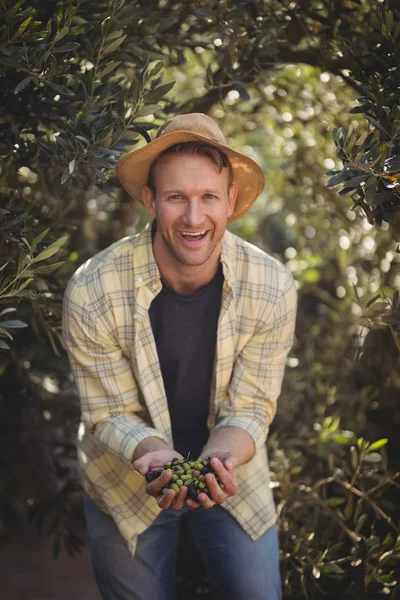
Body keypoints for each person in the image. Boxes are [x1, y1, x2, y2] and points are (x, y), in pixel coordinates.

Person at [62, 113, 297, 600]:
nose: (193, 218)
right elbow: (108, 413)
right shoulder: (92, 289)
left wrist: (219, 460)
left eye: (208, 196)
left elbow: (252, 406)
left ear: (230, 201)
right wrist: (154, 456)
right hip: (125, 480)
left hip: (233, 475)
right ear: (151, 200)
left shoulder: (272, 286)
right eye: (176, 198)